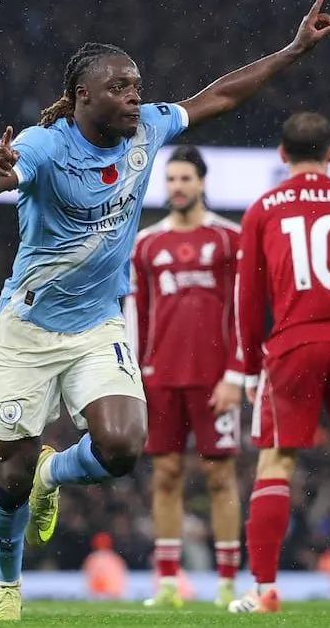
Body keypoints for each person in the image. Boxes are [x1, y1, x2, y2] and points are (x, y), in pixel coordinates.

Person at [0, 0, 330, 622]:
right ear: (84, 95)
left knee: (123, 447)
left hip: (97, 324)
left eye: (138, 85)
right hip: (26, 329)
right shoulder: (42, 146)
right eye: (121, 87)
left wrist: (294, 49)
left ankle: (54, 474)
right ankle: (7, 584)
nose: (136, 96)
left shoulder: (147, 131)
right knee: (8, 475)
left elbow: (219, 97)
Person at [224, 112, 330, 614]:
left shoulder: (262, 209)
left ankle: (265, 590)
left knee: (276, 463)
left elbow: (248, 299)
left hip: (293, 343)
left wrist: (250, 368)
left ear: (282, 155)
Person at [126, 146, 242, 609]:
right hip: (161, 378)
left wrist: (238, 372)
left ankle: (229, 583)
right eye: (170, 179)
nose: (176, 187)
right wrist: (133, 372)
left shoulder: (231, 239)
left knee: (219, 476)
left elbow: (244, 314)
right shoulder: (147, 244)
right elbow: (136, 312)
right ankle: (168, 583)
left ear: (202, 183)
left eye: (184, 179)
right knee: (166, 475)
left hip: (216, 379)